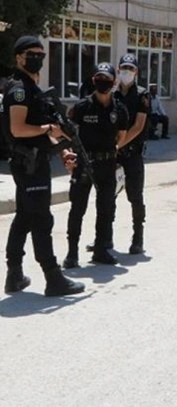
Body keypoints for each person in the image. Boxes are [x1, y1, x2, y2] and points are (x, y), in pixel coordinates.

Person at [2, 35, 84, 296]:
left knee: (25, 217)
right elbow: (18, 128)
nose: (37, 58)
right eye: (31, 53)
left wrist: (62, 150)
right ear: (18, 57)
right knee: (41, 219)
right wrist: (50, 128)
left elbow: (38, 133)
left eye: (40, 54)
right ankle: (53, 277)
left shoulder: (31, 88)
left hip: (34, 160)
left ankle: (14, 274)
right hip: (29, 164)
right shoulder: (19, 88)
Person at [63, 63, 129, 269]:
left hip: (107, 164)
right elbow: (66, 134)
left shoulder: (119, 109)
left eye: (107, 79)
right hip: (84, 163)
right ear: (93, 81)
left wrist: (111, 150)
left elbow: (122, 135)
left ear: (114, 82)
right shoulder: (82, 107)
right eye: (99, 78)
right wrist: (67, 154)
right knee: (77, 208)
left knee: (105, 209)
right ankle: (72, 253)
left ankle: (101, 250)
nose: (103, 82)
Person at [113, 53, 149, 255]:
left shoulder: (143, 95)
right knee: (108, 195)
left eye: (131, 69)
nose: (127, 72)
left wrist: (118, 145)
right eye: (124, 68)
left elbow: (138, 126)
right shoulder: (112, 93)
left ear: (136, 72)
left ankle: (138, 238)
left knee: (135, 196)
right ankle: (104, 238)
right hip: (114, 153)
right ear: (118, 70)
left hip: (132, 152)